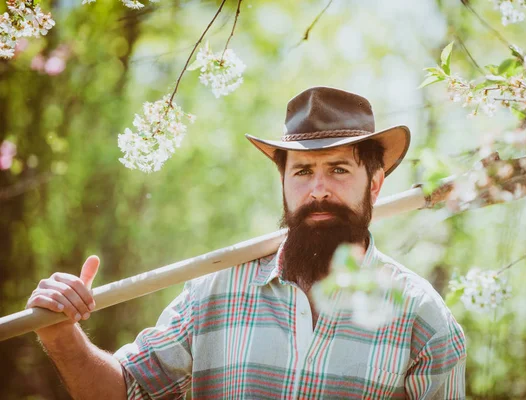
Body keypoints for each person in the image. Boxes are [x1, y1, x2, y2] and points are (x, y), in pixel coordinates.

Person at [27, 87, 466, 399]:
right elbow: (125, 392)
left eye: (338, 170)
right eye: (301, 172)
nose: (317, 190)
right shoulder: (213, 291)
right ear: (283, 183)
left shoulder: (422, 318)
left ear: (375, 186)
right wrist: (63, 336)